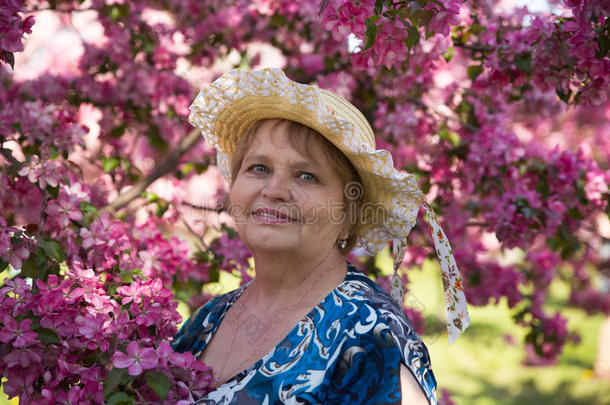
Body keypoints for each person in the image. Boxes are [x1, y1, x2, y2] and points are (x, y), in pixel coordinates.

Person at [172, 68, 470, 404]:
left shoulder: (367, 337)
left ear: (349, 213)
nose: (274, 190)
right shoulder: (208, 319)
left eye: (307, 176)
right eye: (259, 168)